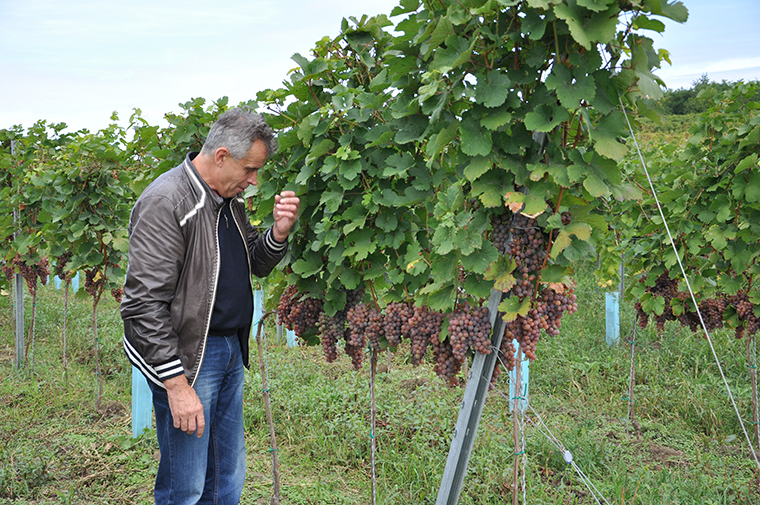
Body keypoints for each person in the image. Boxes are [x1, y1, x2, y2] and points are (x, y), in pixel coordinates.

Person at [120, 107, 299, 505]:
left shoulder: (228, 200)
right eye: (250, 169)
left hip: (229, 350)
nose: (253, 181)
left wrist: (279, 232)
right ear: (221, 156)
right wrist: (177, 385)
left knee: (226, 478)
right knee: (185, 488)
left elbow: (253, 260)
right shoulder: (166, 202)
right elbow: (142, 306)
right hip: (189, 359)